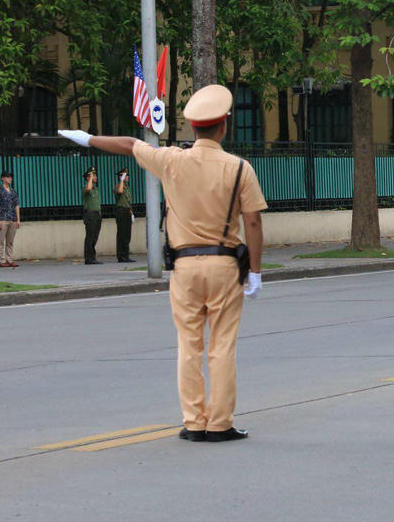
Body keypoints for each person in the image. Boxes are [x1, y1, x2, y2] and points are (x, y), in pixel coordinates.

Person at [59, 84, 266, 443]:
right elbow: (253, 222)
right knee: (221, 346)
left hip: (183, 268)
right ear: (224, 126)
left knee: (189, 345)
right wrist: (258, 271)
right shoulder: (239, 169)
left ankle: (193, 422)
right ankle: (219, 424)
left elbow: (128, 144)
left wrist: (88, 139)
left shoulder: (171, 159)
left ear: (194, 127)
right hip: (225, 266)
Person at [0, 170, 21, 268]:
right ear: (2, 178)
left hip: (12, 218)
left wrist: (18, 220)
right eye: (8, 177)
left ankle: (10, 259)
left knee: (10, 241)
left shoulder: (13, 192)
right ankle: (1, 261)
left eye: (11, 177)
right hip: (3, 218)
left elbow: (17, 206)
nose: (10, 179)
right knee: (1, 241)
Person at [114, 167, 134, 262]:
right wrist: (121, 180)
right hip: (121, 211)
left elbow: (128, 201)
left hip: (127, 211)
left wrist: (131, 213)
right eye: (126, 176)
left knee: (127, 234)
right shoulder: (118, 186)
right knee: (122, 234)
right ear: (121, 177)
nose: (127, 177)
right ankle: (121, 256)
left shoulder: (127, 188)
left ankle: (126, 255)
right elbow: (120, 191)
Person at [82, 167, 102, 265]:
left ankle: (92, 257)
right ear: (88, 178)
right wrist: (90, 178)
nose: (95, 177)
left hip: (97, 215)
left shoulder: (96, 189)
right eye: (93, 175)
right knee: (90, 237)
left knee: (95, 237)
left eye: (95, 175)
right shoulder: (86, 188)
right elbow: (88, 188)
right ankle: (89, 258)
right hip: (90, 215)